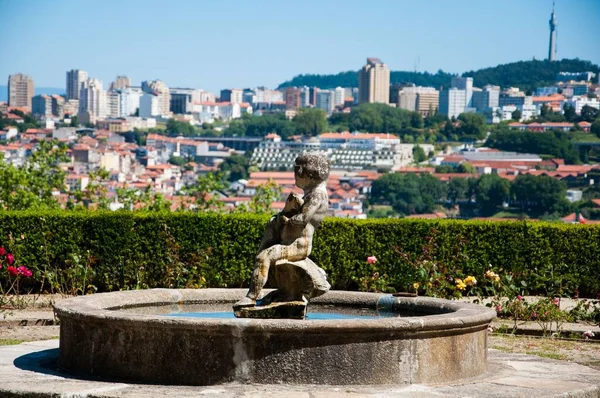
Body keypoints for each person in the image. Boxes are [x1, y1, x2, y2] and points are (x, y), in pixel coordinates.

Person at [237, 152, 330, 306]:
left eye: (298, 169)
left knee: (263, 258)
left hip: (297, 246)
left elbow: (301, 220)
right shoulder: (311, 194)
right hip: (291, 242)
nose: (295, 174)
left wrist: (286, 215)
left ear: (311, 173)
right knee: (264, 254)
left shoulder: (317, 195)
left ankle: (251, 297)